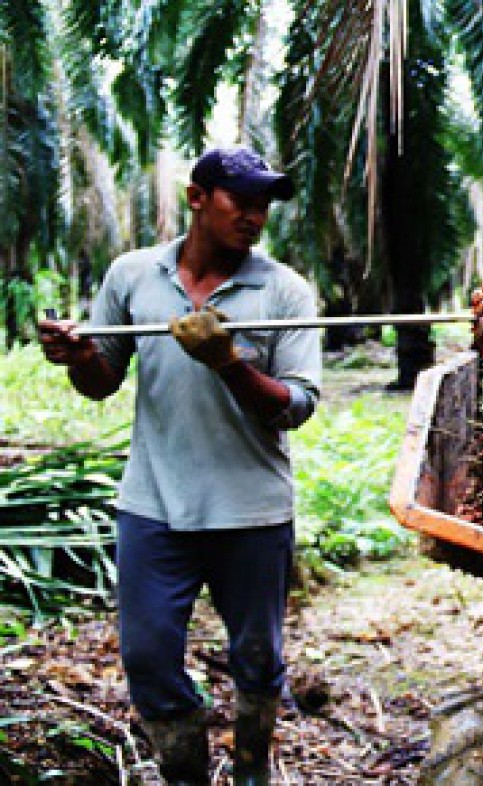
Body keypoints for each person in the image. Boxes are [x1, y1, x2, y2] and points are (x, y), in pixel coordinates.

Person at [38, 146, 322, 786]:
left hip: (251, 510)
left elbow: (297, 406)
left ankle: (252, 767)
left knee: (257, 658)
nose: (254, 216)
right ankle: (185, 768)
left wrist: (229, 362)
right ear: (197, 198)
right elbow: (103, 379)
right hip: (154, 507)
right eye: (239, 201)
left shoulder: (283, 290)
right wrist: (77, 355)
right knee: (147, 656)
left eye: (263, 206)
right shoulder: (133, 276)